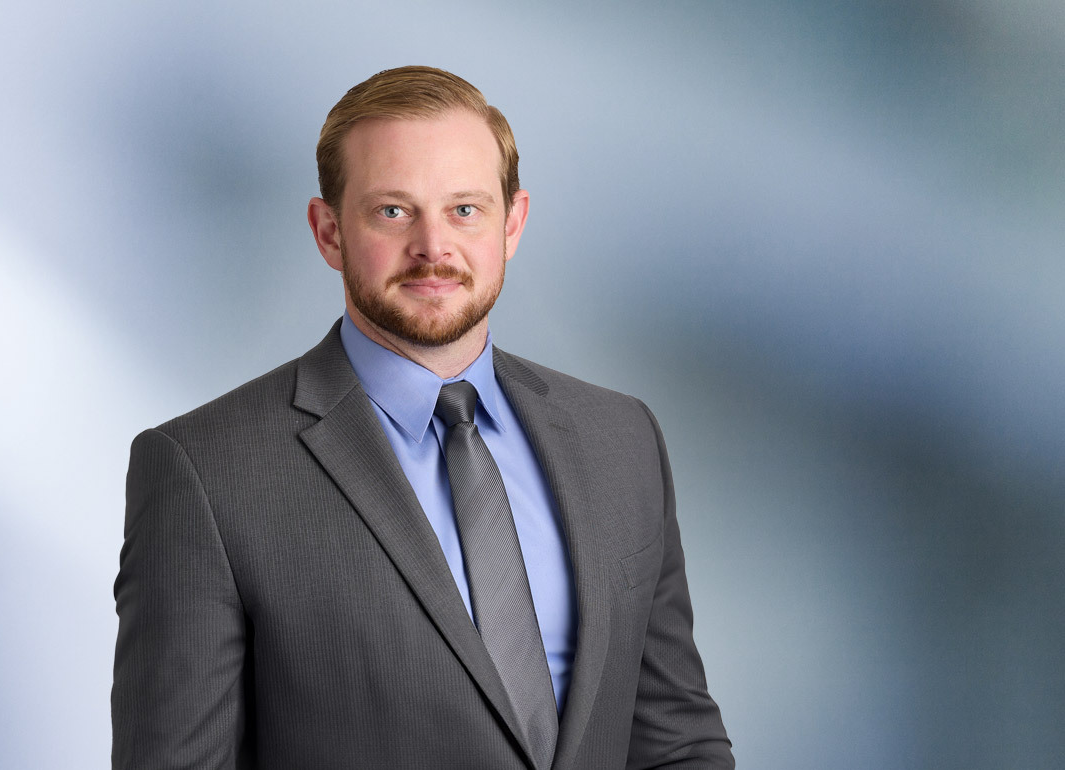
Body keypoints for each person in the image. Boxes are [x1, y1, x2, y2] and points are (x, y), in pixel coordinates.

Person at [112, 65, 732, 770]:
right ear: (328, 232)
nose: (433, 248)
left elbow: (676, 741)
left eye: (465, 210)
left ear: (513, 223)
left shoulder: (621, 439)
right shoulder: (208, 472)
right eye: (393, 211)